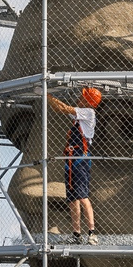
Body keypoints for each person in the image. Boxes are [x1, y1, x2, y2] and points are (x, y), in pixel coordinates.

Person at [47, 86, 101, 244]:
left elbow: (63, 107)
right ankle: (76, 233)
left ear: (88, 100)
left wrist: (47, 95)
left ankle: (91, 232)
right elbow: (59, 109)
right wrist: (49, 99)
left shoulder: (88, 113)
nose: (79, 97)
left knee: (83, 196)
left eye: (83, 96)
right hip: (71, 159)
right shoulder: (79, 116)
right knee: (72, 198)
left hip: (80, 160)